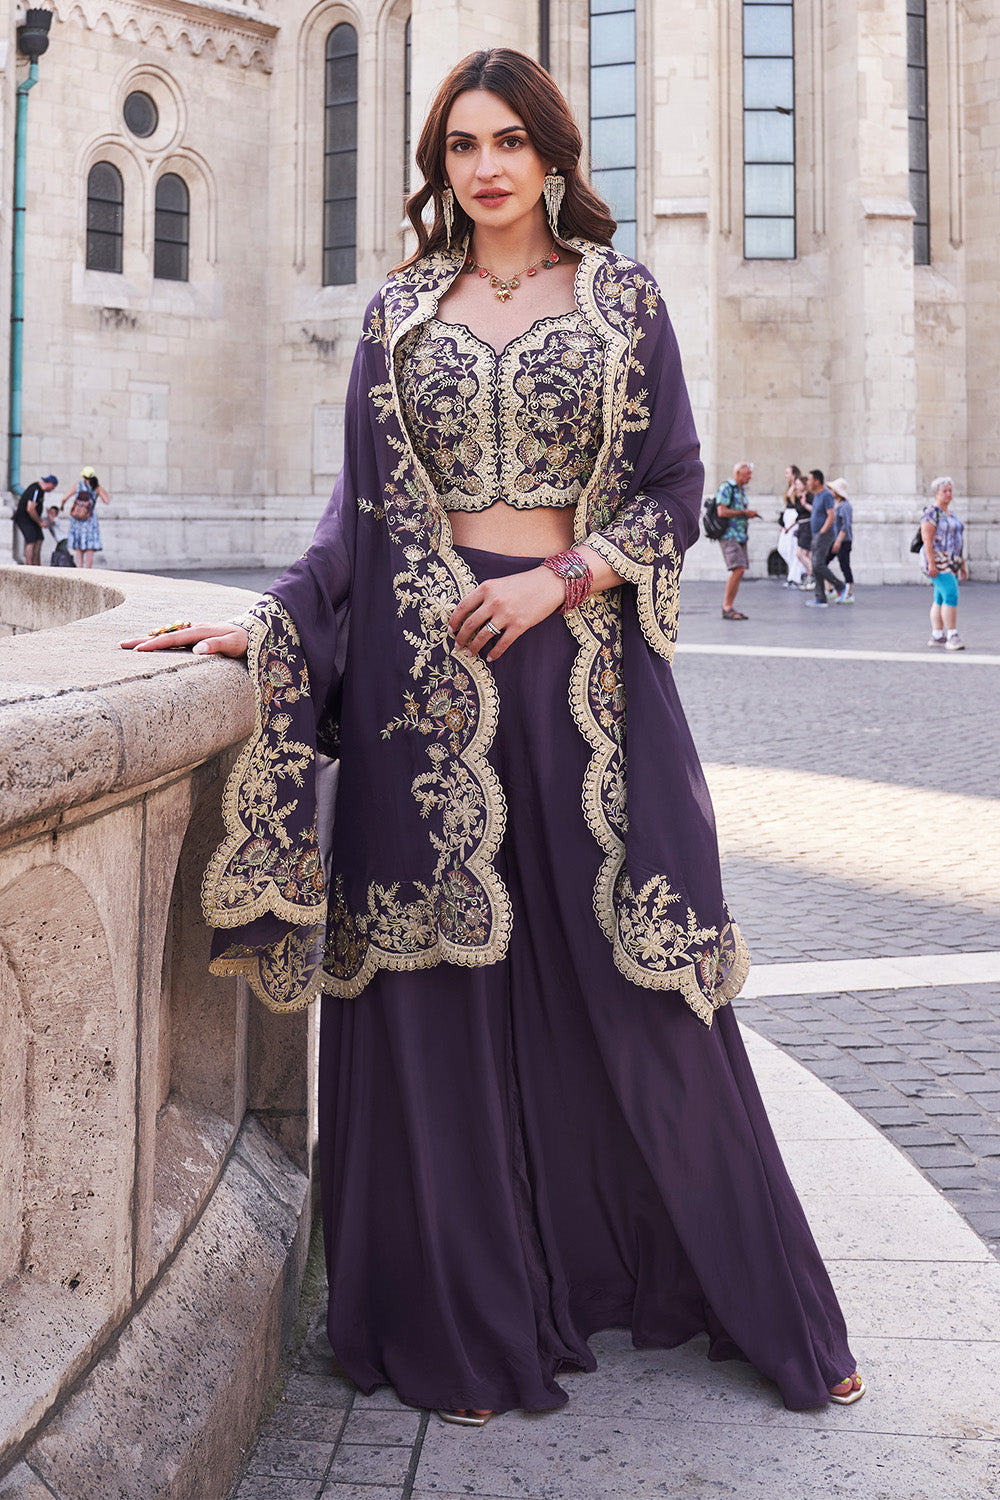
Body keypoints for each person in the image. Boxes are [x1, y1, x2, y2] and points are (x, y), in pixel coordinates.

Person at [123, 49, 863, 1422]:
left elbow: (675, 489)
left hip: (582, 672)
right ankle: (463, 1323)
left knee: (648, 981)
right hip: (425, 679)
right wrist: (268, 626)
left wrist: (561, 578)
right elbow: (356, 520)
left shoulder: (623, 299)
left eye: (510, 140)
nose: (485, 167)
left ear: (553, 155)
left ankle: (757, 1298)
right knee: (435, 993)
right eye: (461, 144)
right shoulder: (398, 312)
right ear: (440, 164)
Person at [921, 476, 966, 650]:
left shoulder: (951, 514)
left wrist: (962, 563)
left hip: (952, 560)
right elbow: (927, 539)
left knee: (940, 597)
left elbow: (957, 540)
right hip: (938, 561)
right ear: (935, 494)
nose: (948, 494)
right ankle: (952, 634)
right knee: (951, 594)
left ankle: (937, 635)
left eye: (950, 490)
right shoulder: (931, 514)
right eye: (944, 491)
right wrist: (931, 563)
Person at [715, 461, 760, 619]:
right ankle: (727, 606)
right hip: (729, 535)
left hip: (740, 534)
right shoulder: (727, 487)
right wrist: (744, 512)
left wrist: (746, 513)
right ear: (738, 473)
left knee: (740, 570)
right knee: (738, 569)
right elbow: (721, 511)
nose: (750, 477)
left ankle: (729, 606)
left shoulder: (741, 490)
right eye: (748, 473)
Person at [59, 467, 110, 568]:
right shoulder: (96, 488)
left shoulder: (78, 485)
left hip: (77, 518)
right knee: (89, 545)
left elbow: (65, 497)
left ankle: (80, 568)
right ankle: (88, 569)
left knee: (79, 544)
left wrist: (62, 506)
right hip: (90, 518)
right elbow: (107, 501)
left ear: (83, 476)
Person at [804, 469, 841, 608]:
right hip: (816, 534)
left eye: (809, 479)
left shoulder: (826, 495)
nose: (807, 482)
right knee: (815, 565)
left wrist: (822, 532)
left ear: (817, 481)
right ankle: (820, 597)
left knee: (818, 564)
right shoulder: (817, 495)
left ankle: (839, 586)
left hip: (824, 534)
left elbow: (831, 515)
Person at [13, 473, 57, 566]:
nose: (52, 490)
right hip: (25, 518)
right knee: (31, 540)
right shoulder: (36, 489)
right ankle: (30, 566)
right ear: (50, 484)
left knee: (39, 538)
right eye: (53, 487)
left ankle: (37, 565)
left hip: (33, 520)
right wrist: (40, 522)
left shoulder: (41, 491)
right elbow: (30, 508)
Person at [829, 477, 854, 602]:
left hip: (843, 541)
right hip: (834, 540)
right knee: (822, 563)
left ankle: (848, 592)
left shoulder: (845, 506)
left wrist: (838, 541)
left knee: (845, 565)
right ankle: (832, 589)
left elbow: (846, 525)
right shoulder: (835, 505)